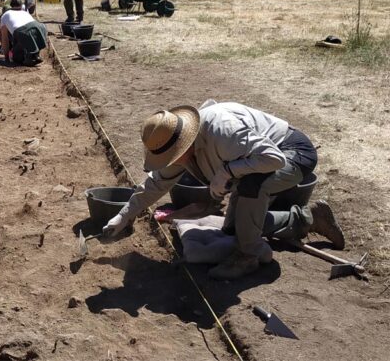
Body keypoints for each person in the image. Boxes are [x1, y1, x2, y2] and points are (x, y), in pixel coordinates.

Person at [102, 100, 346, 280]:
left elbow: (274, 159)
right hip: (254, 162)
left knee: (252, 185)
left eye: (171, 156)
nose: (171, 162)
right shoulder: (180, 151)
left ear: (183, 143)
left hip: (291, 153)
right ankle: (310, 217)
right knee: (233, 228)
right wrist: (124, 216)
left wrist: (228, 171)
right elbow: (156, 184)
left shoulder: (222, 131)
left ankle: (247, 257)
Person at [0, 0, 47, 66]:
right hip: (41, 28)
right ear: (21, 6)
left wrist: (6, 58)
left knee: (17, 58)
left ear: (10, 6)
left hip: (22, 32)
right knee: (30, 36)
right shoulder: (25, 12)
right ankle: (35, 55)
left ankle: (28, 58)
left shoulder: (5, 15)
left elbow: (5, 39)